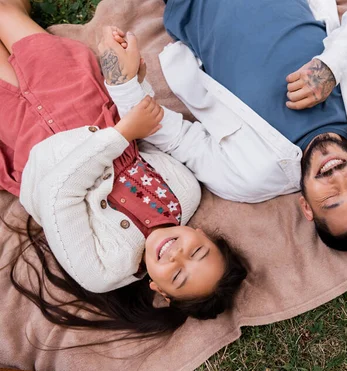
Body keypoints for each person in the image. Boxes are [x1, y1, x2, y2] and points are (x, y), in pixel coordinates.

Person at [0, 0, 247, 335]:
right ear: (202, 234)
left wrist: (122, 134)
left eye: (177, 276)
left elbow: (57, 196)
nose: (177, 256)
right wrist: (133, 79)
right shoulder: (184, 193)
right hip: (84, 106)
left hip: (29, 145)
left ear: (159, 291)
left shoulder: (102, 272)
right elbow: (145, 137)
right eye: (197, 251)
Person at [109, 0, 347, 251]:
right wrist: (331, 67)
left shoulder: (248, 177)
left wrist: (118, 75)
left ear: (307, 208)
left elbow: (176, 140)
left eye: (331, 199)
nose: (337, 179)